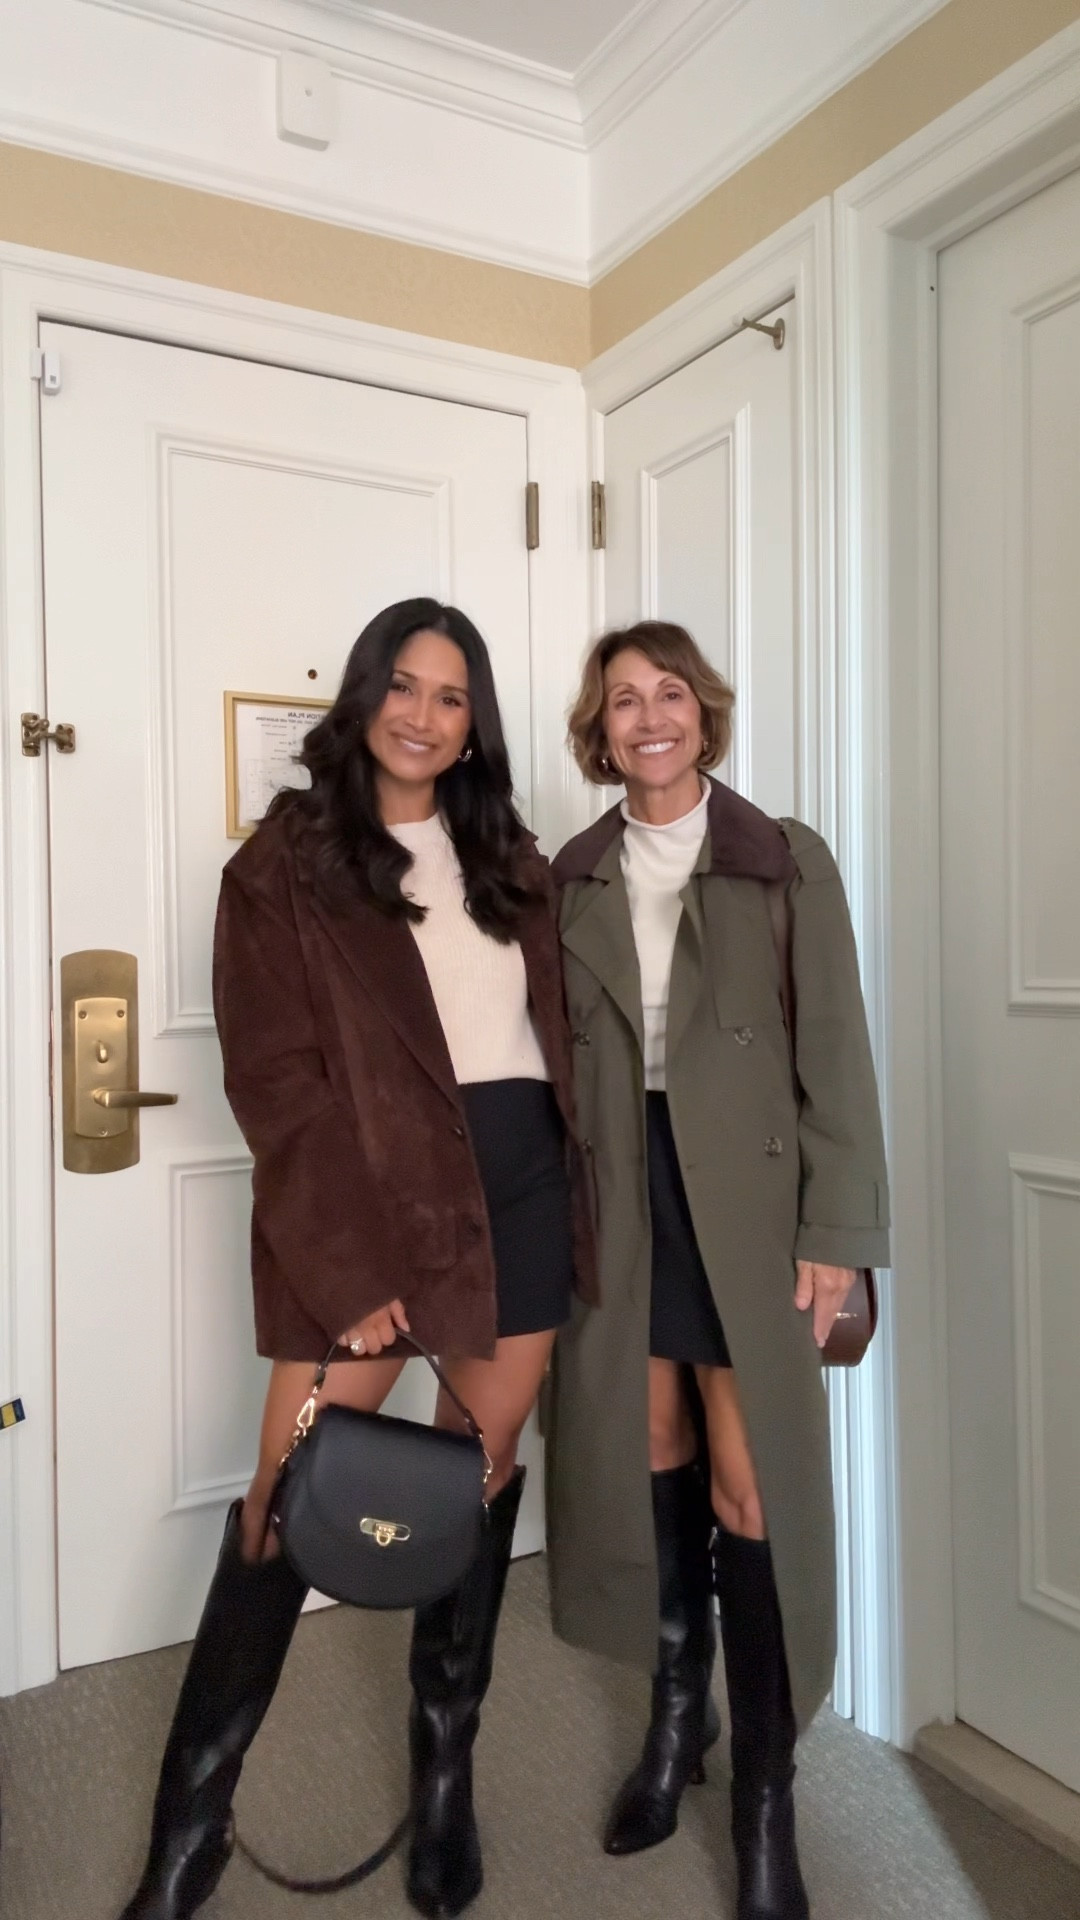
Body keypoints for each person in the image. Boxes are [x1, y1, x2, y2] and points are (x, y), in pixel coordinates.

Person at [119, 598, 595, 1920]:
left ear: (473, 721)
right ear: (364, 693)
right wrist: (347, 1256)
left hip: (523, 1190)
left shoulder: (514, 860)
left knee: (475, 1487)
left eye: (453, 696)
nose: (424, 716)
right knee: (282, 1504)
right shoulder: (282, 866)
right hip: (372, 1206)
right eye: (405, 684)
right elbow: (276, 1081)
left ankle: (444, 1778)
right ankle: (189, 1833)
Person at [545, 620, 889, 1920]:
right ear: (602, 728)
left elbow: (839, 1055)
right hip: (624, 1202)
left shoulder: (784, 858)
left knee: (755, 1489)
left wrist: (838, 1232)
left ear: (704, 711)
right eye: (623, 700)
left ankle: (764, 1794)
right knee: (651, 1452)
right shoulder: (569, 875)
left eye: (668, 693)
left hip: (747, 1206)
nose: (648, 718)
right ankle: (673, 1719)